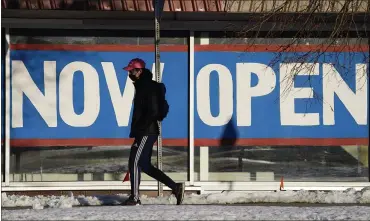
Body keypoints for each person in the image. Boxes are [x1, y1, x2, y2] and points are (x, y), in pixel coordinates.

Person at [122, 58, 184, 206]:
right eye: (129, 71)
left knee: (135, 162)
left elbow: (154, 110)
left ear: (139, 71)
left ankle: (135, 197)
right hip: (145, 131)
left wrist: (143, 126)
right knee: (144, 164)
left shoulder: (147, 86)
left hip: (146, 131)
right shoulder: (142, 85)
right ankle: (176, 187)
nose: (129, 73)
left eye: (132, 71)